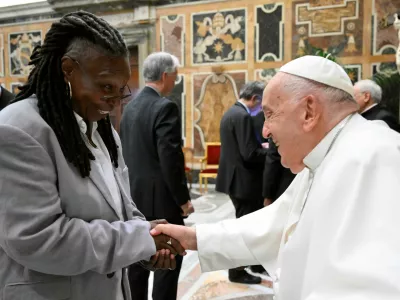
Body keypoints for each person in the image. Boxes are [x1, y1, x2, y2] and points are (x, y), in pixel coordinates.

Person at [151, 56, 400, 299]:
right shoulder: (325, 157)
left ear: (309, 112)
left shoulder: (377, 157)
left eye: (270, 114)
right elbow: (273, 225)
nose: (265, 129)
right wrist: (194, 237)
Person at [0, 12, 184, 300]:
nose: (112, 103)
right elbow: (39, 239)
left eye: (120, 90)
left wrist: (145, 243)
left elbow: (122, 207)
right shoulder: (19, 129)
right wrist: (138, 240)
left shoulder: (100, 130)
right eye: (105, 87)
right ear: (68, 69)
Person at [120, 52, 193, 300]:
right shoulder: (165, 106)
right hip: (162, 203)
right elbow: (170, 158)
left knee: (136, 266)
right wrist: (183, 200)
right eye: (175, 76)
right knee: (167, 264)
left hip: (133, 199)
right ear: (165, 76)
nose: (175, 81)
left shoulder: (129, 108)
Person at [216, 81, 267, 284]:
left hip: (234, 179)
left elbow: (241, 147)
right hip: (244, 182)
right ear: (255, 98)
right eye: (261, 103)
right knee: (243, 229)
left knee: (246, 225)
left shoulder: (231, 112)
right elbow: (249, 154)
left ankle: (255, 262)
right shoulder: (243, 115)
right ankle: (236, 272)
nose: (261, 108)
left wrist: (258, 145)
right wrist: (271, 151)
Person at [253, 111, 296, 203]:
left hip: (285, 189)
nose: (265, 132)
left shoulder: (282, 126)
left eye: (269, 116)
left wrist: (268, 195)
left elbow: (273, 161)